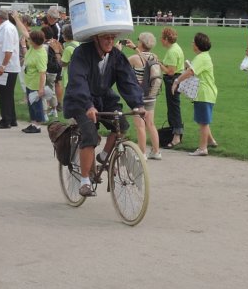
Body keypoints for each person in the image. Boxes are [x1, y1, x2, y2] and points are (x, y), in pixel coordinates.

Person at [63, 33, 145, 197]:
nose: (110, 41)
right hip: (80, 99)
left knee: (121, 124)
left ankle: (104, 155)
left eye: (112, 38)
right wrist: (88, 105)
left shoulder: (116, 55)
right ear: (96, 38)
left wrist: (138, 104)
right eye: (106, 38)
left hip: (103, 97)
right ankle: (85, 181)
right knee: (90, 134)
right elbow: (78, 80)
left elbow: (127, 80)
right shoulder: (82, 53)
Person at [171, 32, 218, 156]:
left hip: (204, 93)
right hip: (207, 93)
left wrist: (176, 81)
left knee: (203, 122)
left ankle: (203, 148)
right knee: (203, 120)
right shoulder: (204, 56)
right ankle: (211, 141)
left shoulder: (201, 58)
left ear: (197, 45)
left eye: (193, 42)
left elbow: (190, 72)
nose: (192, 44)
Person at [122, 32, 163, 160]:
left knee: (140, 126)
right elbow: (145, 59)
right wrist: (135, 48)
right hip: (151, 94)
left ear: (141, 43)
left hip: (139, 96)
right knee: (150, 124)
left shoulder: (134, 59)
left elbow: (121, 65)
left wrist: (119, 49)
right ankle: (156, 151)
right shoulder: (154, 57)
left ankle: (142, 153)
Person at [160, 27, 184, 148]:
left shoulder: (172, 52)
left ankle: (176, 136)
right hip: (175, 79)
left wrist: (158, 64)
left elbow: (170, 71)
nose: (160, 40)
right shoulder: (175, 47)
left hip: (172, 80)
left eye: (162, 38)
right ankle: (174, 132)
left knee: (174, 108)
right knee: (173, 107)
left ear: (166, 39)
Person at [21, 30, 48, 133]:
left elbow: (42, 73)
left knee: (37, 106)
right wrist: (17, 20)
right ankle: (33, 123)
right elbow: (25, 32)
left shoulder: (40, 55)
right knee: (31, 105)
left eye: (30, 39)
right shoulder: (33, 47)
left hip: (36, 84)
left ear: (34, 41)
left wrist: (40, 89)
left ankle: (37, 126)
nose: (28, 40)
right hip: (29, 82)